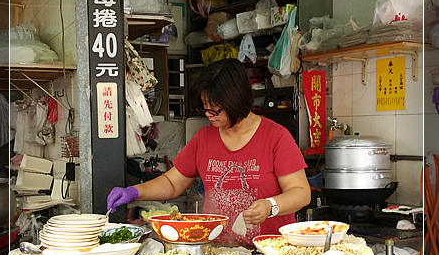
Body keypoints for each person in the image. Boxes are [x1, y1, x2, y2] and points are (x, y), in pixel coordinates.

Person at [107, 58, 310, 244]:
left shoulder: (275, 137)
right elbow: (172, 183)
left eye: (214, 109)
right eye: (204, 107)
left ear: (236, 100)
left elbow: (301, 193)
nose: (208, 115)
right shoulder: (204, 138)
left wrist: (270, 205)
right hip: (216, 250)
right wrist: (134, 192)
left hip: (268, 249)